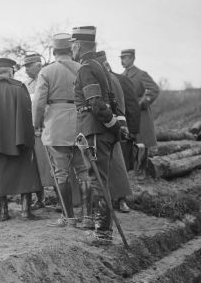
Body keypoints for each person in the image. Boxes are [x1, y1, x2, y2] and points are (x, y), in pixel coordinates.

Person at [72, 26, 129, 244]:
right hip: (100, 131)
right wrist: (118, 126)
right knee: (100, 180)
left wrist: (113, 125)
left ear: (78, 45)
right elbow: (114, 101)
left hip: (94, 130)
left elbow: (96, 104)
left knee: (97, 181)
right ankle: (102, 230)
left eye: (72, 45)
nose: (71, 49)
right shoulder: (100, 66)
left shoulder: (86, 68)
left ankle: (102, 233)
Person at [33, 34, 90, 228]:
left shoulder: (46, 71)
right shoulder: (83, 69)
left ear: (54, 51)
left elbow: (39, 103)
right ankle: (88, 217)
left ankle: (69, 218)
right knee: (83, 172)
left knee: (61, 174)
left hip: (56, 127)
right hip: (81, 124)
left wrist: (37, 123)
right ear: (70, 50)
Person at [0, 57, 42, 221]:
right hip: (19, 142)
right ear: (11, 71)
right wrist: (28, 140)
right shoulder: (19, 88)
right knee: (26, 173)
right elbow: (27, 117)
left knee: (0, 176)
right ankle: (26, 211)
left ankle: (3, 212)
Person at [95, 51, 133, 214]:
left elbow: (118, 105)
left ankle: (113, 200)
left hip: (105, 124)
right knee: (116, 163)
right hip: (116, 124)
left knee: (109, 164)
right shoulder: (114, 78)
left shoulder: (105, 79)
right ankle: (121, 199)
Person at [23, 51, 53, 210]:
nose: (26, 69)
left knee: (52, 164)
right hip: (32, 131)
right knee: (35, 165)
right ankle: (40, 198)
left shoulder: (48, 78)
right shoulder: (26, 85)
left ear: (39, 65)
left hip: (48, 128)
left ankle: (61, 199)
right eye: (25, 66)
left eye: (29, 65)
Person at [120, 49, 160, 154]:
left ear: (132, 58)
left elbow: (154, 89)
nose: (122, 61)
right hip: (126, 114)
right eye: (121, 58)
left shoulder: (141, 74)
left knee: (143, 145)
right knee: (129, 146)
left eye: (124, 58)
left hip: (141, 114)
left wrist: (142, 103)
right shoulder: (121, 76)